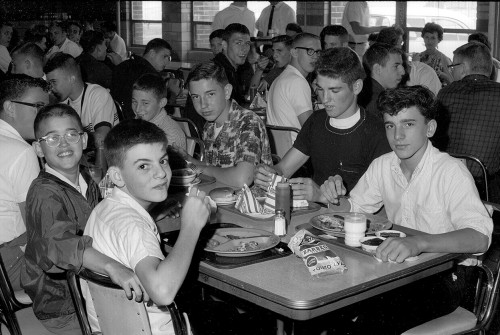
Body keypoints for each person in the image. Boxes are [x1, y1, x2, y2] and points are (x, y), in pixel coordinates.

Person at [320, 85, 492, 334]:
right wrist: (332, 196)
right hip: (399, 270)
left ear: (430, 128)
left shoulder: (451, 172)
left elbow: (479, 238)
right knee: (332, 305)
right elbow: (354, 211)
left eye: (408, 124)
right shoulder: (383, 165)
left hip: (448, 275)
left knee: (375, 315)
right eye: (390, 125)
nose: (397, 135)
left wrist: (419, 243)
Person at [22, 104, 146, 334]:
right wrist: (112, 266)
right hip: (63, 303)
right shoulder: (43, 193)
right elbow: (59, 243)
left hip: (88, 287)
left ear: (84, 140)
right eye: (52, 138)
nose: (64, 144)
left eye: (71, 135)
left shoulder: (85, 177)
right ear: (38, 149)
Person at [81, 118, 209, 334]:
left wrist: (155, 210)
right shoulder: (133, 226)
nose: (160, 173)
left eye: (163, 161)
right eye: (143, 166)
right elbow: (163, 292)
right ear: (116, 176)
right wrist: (191, 226)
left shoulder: (105, 208)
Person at [255, 47, 390, 202]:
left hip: (354, 220)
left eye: (334, 91)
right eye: (320, 89)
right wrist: (268, 174)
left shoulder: (377, 133)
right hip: (315, 215)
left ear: (356, 87)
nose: (325, 99)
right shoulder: (316, 121)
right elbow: (284, 169)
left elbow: (377, 203)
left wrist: (321, 196)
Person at [184, 61, 272, 187]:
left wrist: (201, 169)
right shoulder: (209, 126)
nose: (203, 105)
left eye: (210, 94)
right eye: (196, 97)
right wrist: (190, 161)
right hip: (220, 198)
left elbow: (242, 179)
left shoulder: (248, 122)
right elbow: (216, 168)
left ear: (227, 92)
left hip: (252, 203)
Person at [0, 76, 49, 291]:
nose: (44, 117)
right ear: (10, 107)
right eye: (38, 107)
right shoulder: (22, 152)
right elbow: (37, 227)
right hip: (8, 265)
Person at [435, 41, 500, 203]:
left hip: (444, 182)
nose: (451, 71)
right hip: (485, 189)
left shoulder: (445, 93)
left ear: (463, 68)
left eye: (453, 67)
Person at [45, 52, 118, 170]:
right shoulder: (63, 101)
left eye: (54, 82)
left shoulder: (98, 95)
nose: (51, 88)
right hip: (84, 160)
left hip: (109, 162)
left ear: (72, 79)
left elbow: (102, 138)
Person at [267, 33, 320, 141]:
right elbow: (311, 129)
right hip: (297, 153)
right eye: (310, 51)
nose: (315, 56)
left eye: (318, 52)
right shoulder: (297, 81)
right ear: (294, 52)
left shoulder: (281, 78)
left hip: (281, 152)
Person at [111, 38, 175, 120]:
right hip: (139, 121)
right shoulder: (151, 75)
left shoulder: (123, 65)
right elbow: (163, 106)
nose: (167, 62)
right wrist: (173, 93)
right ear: (152, 53)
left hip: (116, 119)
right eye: (164, 56)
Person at [376, 26, 442, 95]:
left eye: (433, 38)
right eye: (427, 37)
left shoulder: (425, 72)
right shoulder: (379, 76)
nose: (429, 41)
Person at [132, 73, 186, 150]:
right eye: (134, 102)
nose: (137, 109)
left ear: (162, 103)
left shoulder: (170, 136)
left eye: (145, 103)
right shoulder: (138, 123)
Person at [358, 43, 405, 115]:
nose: (403, 72)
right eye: (396, 66)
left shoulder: (363, 91)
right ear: (377, 69)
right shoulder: (377, 102)